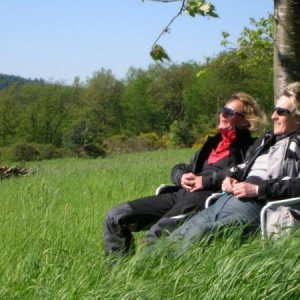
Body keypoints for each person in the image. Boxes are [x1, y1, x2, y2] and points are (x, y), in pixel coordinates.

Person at [104, 92, 266, 255]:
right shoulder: (212, 143)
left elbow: (243, 171)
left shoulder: (250, 146)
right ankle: (117, 270)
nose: (222, 114)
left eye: (230, 112)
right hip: (181, 194)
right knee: (116, 216)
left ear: (246, 121)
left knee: (154, 237)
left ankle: (140, 274)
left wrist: (205, 181)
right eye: (222, 109)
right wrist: (180, 176)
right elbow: (183, 166)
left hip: (206, 199)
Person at [168, 82, 300, 249]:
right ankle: (142, 270)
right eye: (275, 110)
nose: (273, 116)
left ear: (297, 117)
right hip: (226, 200)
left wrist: (258, 189)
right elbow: (243, 166)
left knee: (199, 235)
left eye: (281, 112)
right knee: (174, 237)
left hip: (259, 206)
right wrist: (232, 177)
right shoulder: (268, 139)